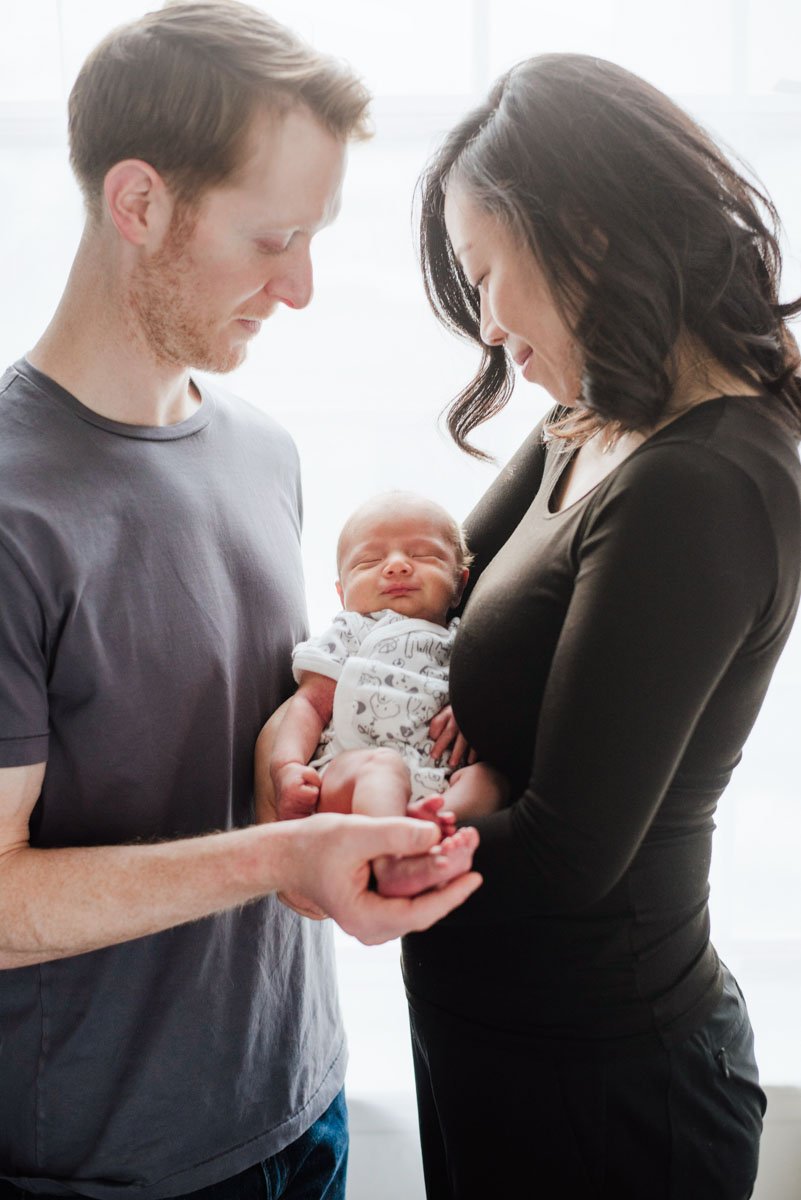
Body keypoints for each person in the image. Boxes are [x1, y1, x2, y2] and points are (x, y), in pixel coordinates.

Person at [0, 5, 481, 1198]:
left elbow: (264, 731)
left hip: (301, 1111)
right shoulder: (10, 509)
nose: (302, 287)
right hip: (105, 1172)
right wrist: (280, 856)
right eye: (275, 237)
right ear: (139, 202)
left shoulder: (264, 450)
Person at [400, 53, 801, 1199]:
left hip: (604, 1095)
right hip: (500, 1051)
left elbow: (568, 854)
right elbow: (432, 605)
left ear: (586, 233)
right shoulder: (591, 416)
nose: (487, 327)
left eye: (487, 275)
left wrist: (340, 852)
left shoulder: (699, 482)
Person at [256, 491, 505, 898]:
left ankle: (432, 828)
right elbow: (309, 705)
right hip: (351, 779)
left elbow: (489, 690)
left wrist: (471, 704)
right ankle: (393, 859)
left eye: (424, 555)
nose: (396, 565)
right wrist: (286, 767)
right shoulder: (352, 632)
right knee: (382, 767)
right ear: (343, 594)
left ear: (459, 585)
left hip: (434, 782)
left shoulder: (464, 642)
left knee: (491, 780)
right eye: (369, 562)